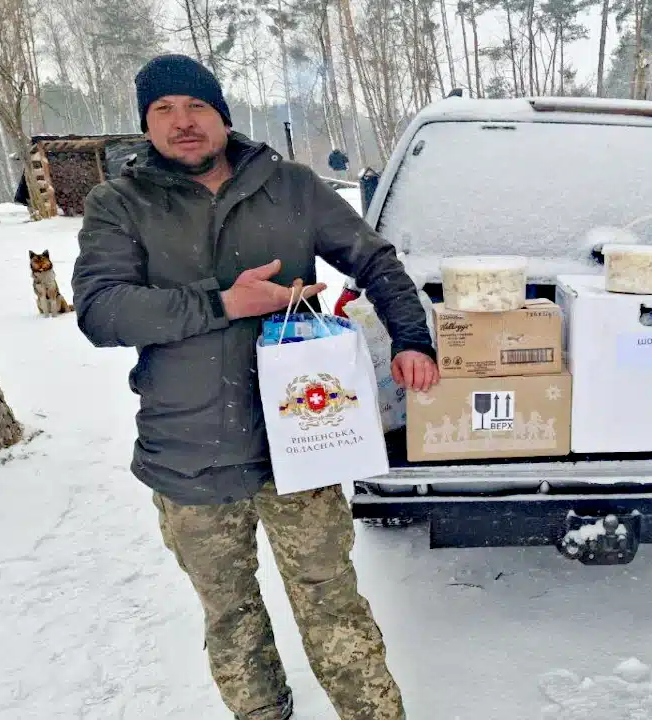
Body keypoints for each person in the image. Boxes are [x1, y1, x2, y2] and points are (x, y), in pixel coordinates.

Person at [71, 54, 439, 720]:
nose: (183, 122)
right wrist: (223, 303)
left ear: (222, 114)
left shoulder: (291, 186)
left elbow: (374, 261)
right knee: (230, 615)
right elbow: (102, 312)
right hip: (188, 455)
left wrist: (412, 338)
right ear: (146, 125)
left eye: (197, 107)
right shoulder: (119, 204)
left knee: (332, 603)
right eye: (164, 110)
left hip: (301, 442)